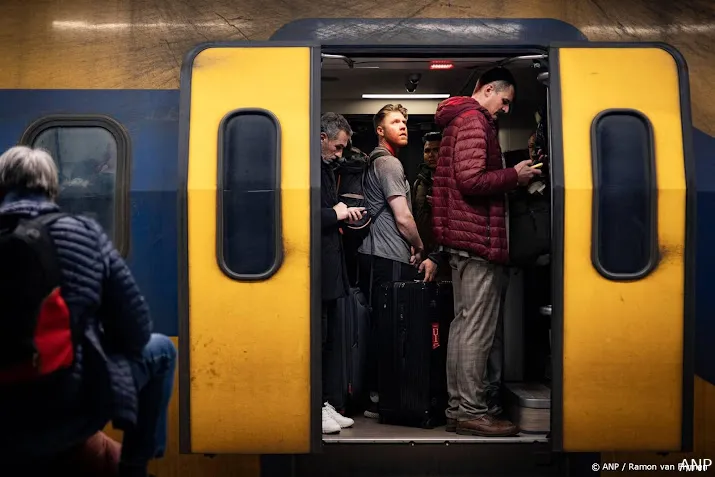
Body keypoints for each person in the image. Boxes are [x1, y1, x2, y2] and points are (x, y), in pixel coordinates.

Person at [0, 145, 176, 477]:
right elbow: (136, 331)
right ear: (53, 190)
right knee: (162, 350)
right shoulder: (83, 233)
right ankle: (134, 466)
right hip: (68, 412)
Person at [431, 68, 541, 437]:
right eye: (504, 100)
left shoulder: (457, 120)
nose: (505, 109)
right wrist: (515, 176)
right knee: (476, 330)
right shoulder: (475, 121)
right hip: (476, 241)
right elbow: (471, 180)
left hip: (462, 241)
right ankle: (472, 411)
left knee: (464, 328)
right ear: (489, 89)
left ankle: (460, 407)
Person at [356, 104, 438, 419]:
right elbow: (403, 217)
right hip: (386, 257)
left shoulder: (374, 162)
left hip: (375, 256)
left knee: (380, 328)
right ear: (380, 130)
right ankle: (379, 397)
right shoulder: (389, 164)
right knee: (388, 331)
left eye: (404, 121)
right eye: (394, 122)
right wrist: (419, 246)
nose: (402, 126)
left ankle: (376, 395)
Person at [319, 112, 365, 434]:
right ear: (321, 138)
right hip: (318, 270)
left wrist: (342, 214)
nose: (339, 155)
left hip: (331, 270)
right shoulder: (309, 169)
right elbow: (299, 212)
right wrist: (333, 213)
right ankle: (315, 406)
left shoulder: (325, 169)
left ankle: (325, 402)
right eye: (336, 148)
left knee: (330, 339)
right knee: (319, 340)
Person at [411, 131, 450, 281]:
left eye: (436, 150)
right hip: (424, 250)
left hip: (446, 253)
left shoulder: (451, 180)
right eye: (427, 151)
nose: (431, 155)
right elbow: (415, 214)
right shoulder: (419, 183)